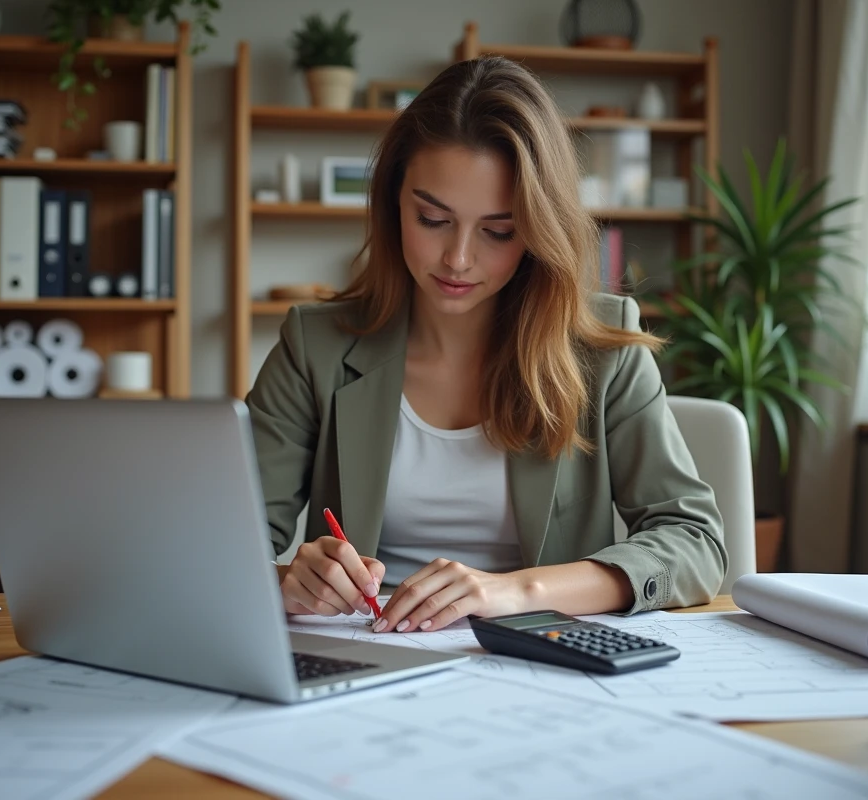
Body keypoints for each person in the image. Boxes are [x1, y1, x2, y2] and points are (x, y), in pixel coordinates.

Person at [247, 55, 726, 636]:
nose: (459, 259)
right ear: (394, 201)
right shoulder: (313, 346)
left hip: (542, 659)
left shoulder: (604, 349)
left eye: (498, 231)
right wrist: (286, 582)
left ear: (537, 229)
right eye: (432, 219)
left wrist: (519, 590)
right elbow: (219, 544)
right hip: (367, 655)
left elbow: (694, 542)